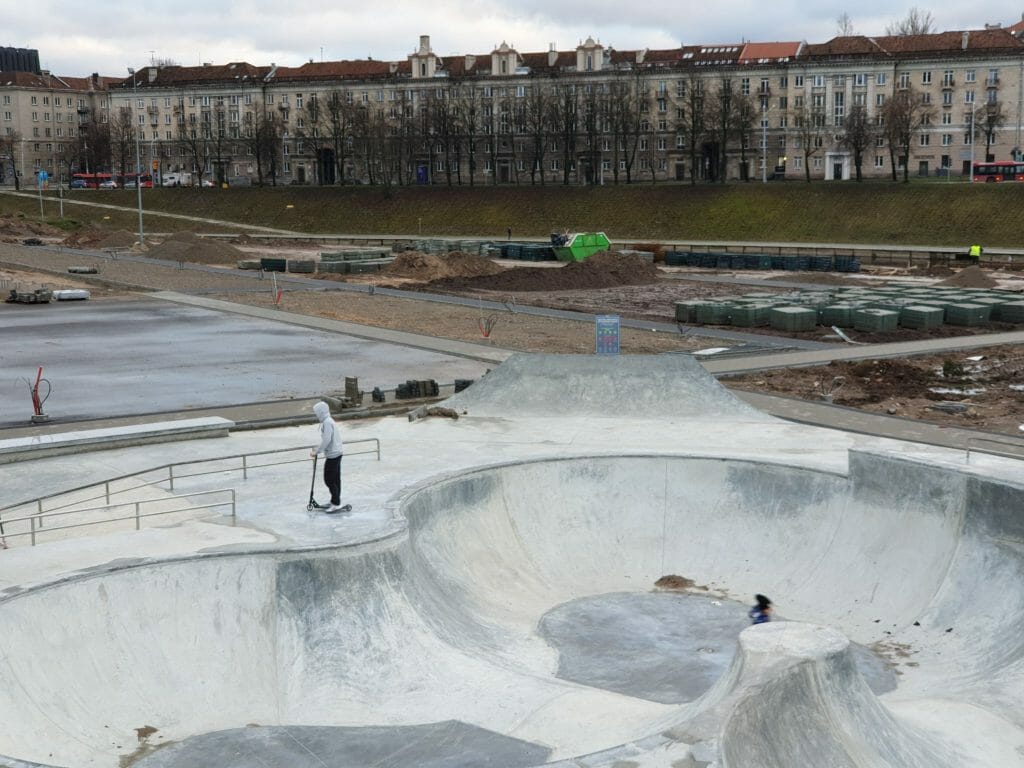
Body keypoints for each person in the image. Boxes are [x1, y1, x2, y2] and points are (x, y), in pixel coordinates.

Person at [310, 401, 344, 512]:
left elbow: (326, 440)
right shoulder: (328, 421)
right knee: (335, 479)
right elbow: (326, 440)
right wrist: (318, 448)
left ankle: (336, 503)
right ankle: (335, 500)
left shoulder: (327, 423)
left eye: (317, 413)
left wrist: (317, 451)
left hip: (333, 455)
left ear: (321, 412)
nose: (316, 415)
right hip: (336, 452)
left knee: (329, 479)